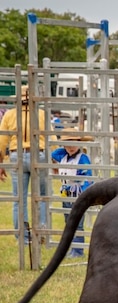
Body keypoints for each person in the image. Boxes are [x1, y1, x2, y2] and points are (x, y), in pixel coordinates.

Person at [0, 84, 49, 242]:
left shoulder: (10, 114)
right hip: (38, 154)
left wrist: (1, 161)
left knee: (19, 198)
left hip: (17, 155)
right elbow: (51, 138)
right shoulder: (41, 114)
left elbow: (2, 140)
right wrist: (55, 160)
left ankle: (23, 236)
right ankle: (41, 230)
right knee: (41, 195)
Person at [50, 128, 93, 258]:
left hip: (78, 193)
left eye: (74, 143)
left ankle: (78, 250)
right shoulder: (63, 156)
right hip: (65, 194)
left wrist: (84, 194)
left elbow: (87, 177)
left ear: (80, 143)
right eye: (68, 144)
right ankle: (72, 248)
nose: (71, 147)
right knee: (68, 221)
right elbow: (54, 153)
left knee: (77, 223)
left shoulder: (83, 158)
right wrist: (66, 147)